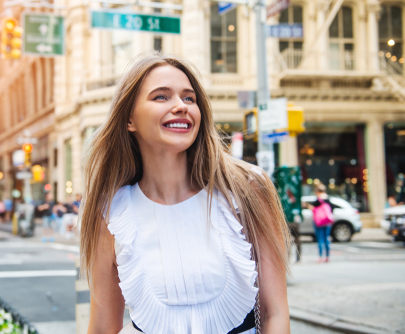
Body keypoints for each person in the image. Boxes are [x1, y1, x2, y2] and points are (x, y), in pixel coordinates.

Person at [80, 53, 291, 334]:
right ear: (129, 119)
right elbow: (102, 328)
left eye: (189, 98)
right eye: (161, 97)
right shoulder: (111, 213)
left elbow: (275, 314)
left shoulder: (247, 188)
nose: (181, 106)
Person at [308, 184, 336, 263]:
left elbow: (313, 209)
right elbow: (332, 209)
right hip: (327, 222)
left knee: (320, 239)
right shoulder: (328, 198)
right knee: (327, 238)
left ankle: (320, 256)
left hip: (319, 222)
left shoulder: (318, 200)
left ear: (317, 191)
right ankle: (327, 256)